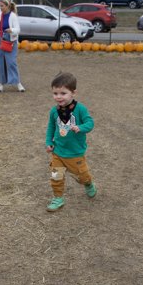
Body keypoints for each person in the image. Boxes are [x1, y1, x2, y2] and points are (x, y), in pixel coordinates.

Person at [45, 72, 97, 212]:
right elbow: (51, 127)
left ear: (73, 93)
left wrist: (80, 128)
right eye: (55, 93)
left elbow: (90, 123)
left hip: (75, 154)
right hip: (58, 153)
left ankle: (88, 184)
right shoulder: (54, 111)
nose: (58, 97)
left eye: (63, 93)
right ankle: (58, 198)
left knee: (83, 176)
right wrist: (49, 141)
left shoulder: (80, 109)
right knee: (56, 176)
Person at [0, 0, 25, 93]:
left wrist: (11, 30)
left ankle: (18, 83)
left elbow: (18, 29)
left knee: (11, 62)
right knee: (0, 62)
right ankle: (1, 84)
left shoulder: (13, 16)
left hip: (10, 40)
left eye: (2, 6)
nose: (0, 8)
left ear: (7, 5)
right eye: (0, 6)